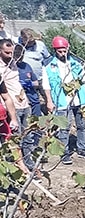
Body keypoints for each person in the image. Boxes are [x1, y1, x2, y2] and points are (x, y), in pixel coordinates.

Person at [41, 36, 85, 164]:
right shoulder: (49, 65)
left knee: (82, 126)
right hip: (62, 101)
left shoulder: (76, 63)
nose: (63, 54)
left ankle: (82, 148)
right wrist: (49, 101)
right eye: (60, 51)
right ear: (55, 50)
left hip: (79, 99)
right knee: (64, 127)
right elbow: (46, 85)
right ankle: (64, 152)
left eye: (64, 51)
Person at [13, 44, 41, 174]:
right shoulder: (10, 69)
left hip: (29, 103)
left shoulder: (27, 66)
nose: (19, 59)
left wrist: (29, 83)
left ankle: (30, 161)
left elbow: (36, 82)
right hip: (15, 106)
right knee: (17, 136)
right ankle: (19, 164)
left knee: (29, 133)